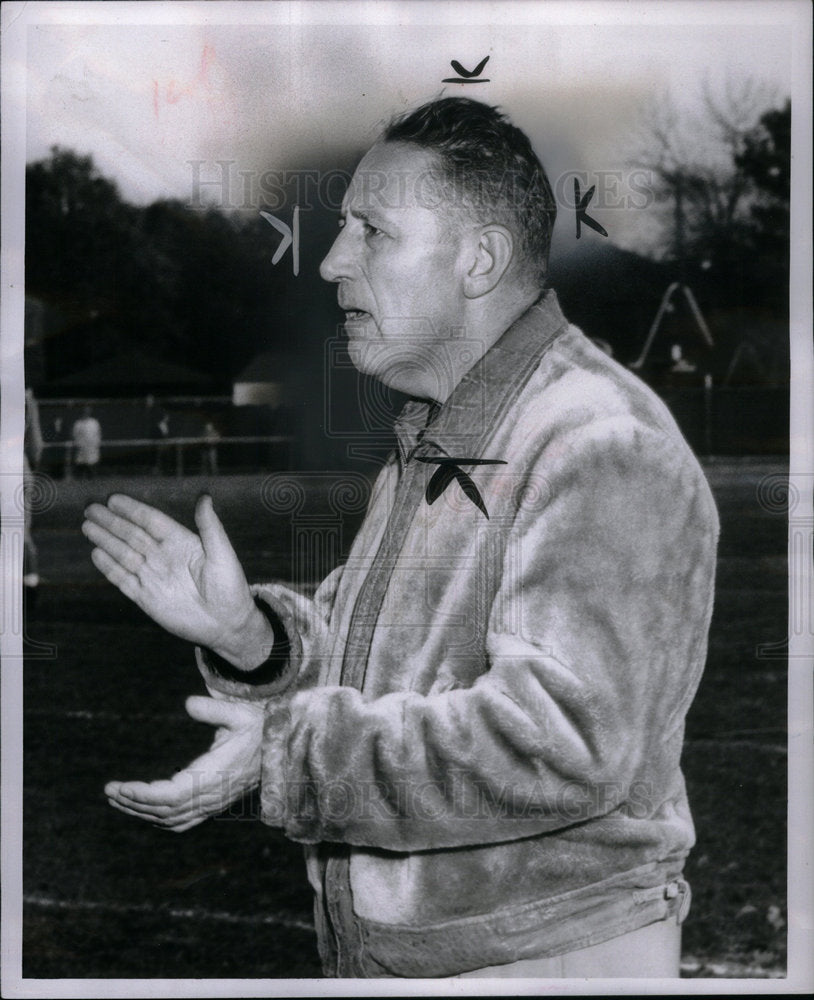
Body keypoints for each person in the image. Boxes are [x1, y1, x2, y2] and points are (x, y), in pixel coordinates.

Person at [81, 97, 719, 979]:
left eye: (371, 231)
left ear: (480, 258)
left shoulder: (600, 443)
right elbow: (382, 667)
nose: (334, 263)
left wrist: (288, 756)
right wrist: (249, 637)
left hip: (543, 965)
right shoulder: (444, 434)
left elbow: (563, 744)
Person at [71, 404, 102, 478]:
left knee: (92, 468)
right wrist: (79, 445)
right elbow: (75, 435)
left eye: (88, 411)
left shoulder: (94, 422)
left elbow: (98, 434)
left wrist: (96, 444)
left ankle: (92, 481)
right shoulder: (77, 423)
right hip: (81, 450)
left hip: (92, 449)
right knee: (80, 468)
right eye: (84, 411)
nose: (86, 412)